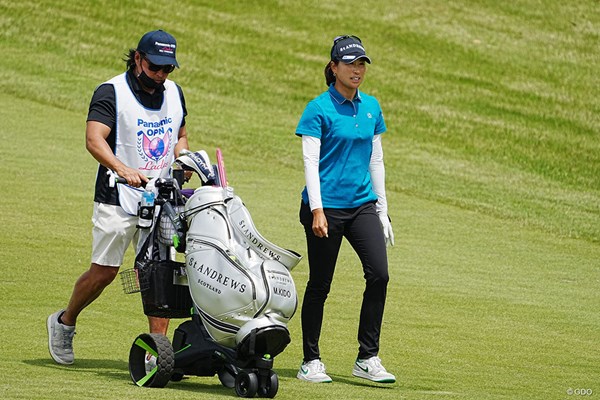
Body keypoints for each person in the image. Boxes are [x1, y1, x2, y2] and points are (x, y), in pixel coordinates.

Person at [47, 30, 190, 365]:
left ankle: (158, 350)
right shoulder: (111, 91)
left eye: (167, 69)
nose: (161, 75)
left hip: (162, 199)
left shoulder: (174, 93)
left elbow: (180, 135)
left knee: (161, 272)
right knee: (104, 273)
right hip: (117, 196)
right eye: (155, 67)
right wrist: (122, 168)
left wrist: (183, 159)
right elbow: (94, 139)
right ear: (138, 58)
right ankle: (65, 321)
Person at [295, 35, 396, 384]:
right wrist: (318, 211)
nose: (357, 70)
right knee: (321, 284)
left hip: (361, 205)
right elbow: (310, 162)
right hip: (326, 208)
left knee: (379, 274)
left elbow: (376, 159)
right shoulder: (318, 108)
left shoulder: (371, 107)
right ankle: (311, 360)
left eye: (361, 63)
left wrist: (382, 210)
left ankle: (367, 357)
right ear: (334, 67)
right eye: (350, 63)